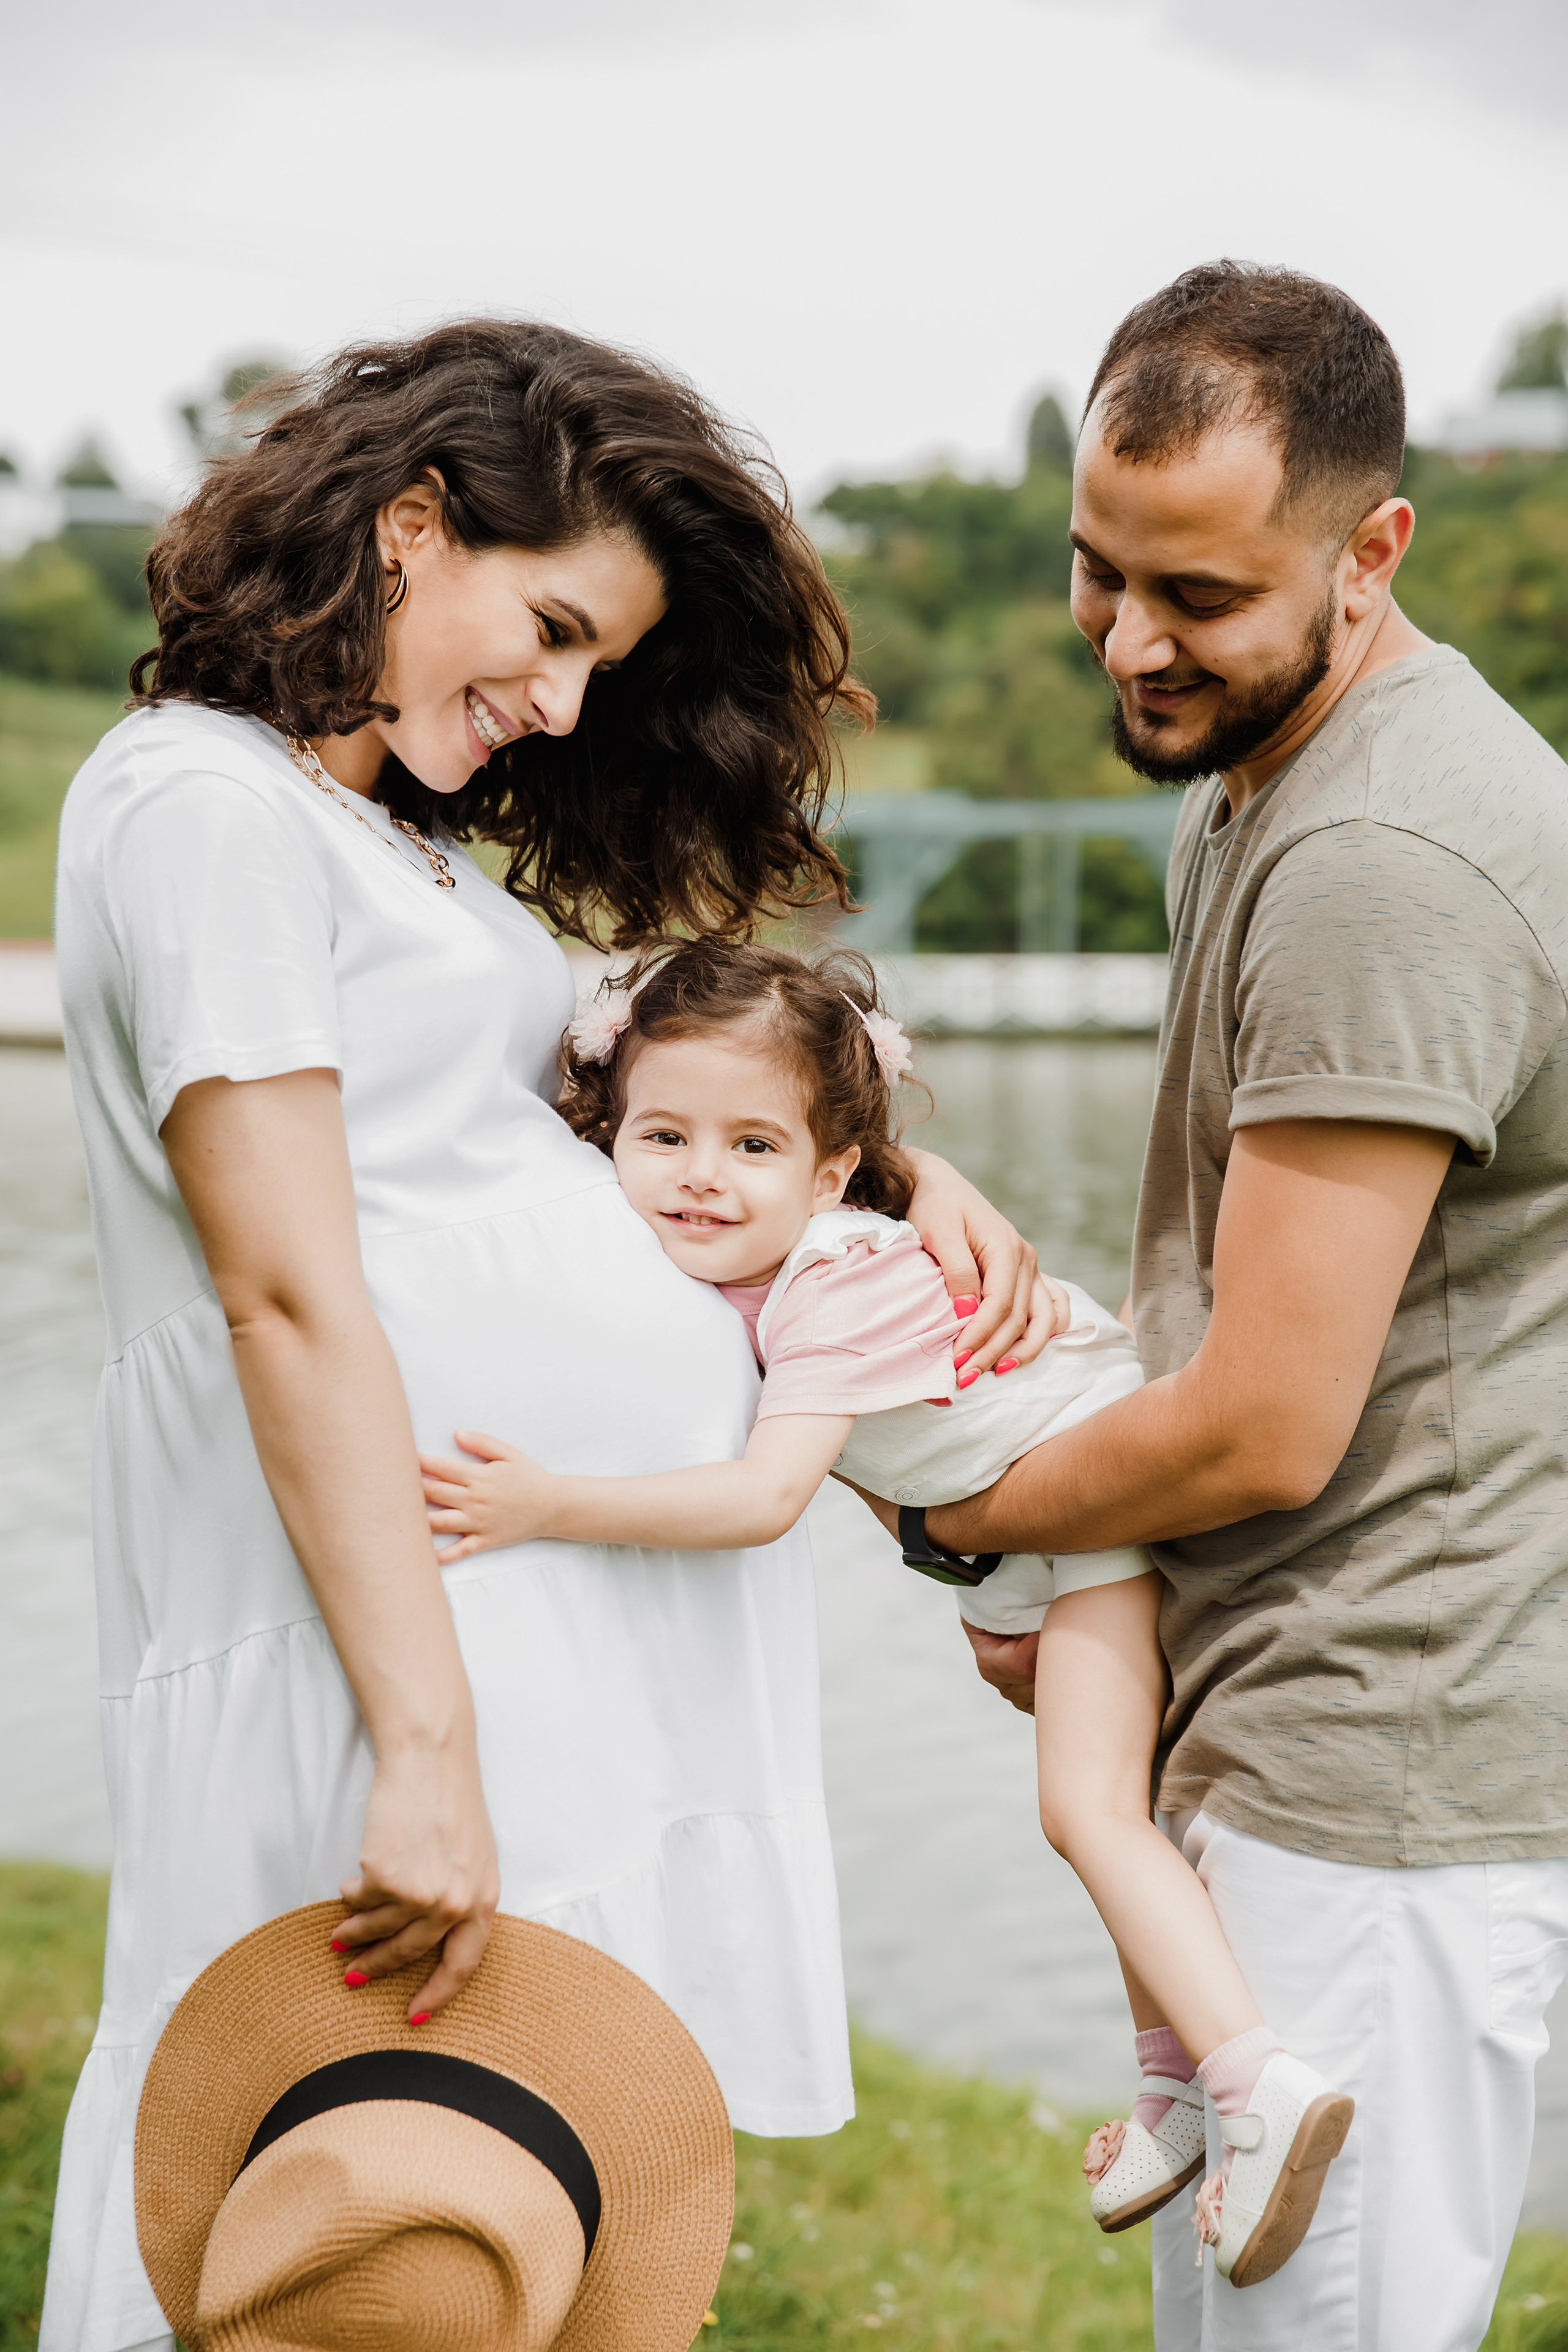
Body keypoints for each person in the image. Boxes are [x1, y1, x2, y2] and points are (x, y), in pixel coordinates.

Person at [43, 320, 1044, 2352]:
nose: (566, 699)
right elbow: (288, 1290)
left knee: (486, 2221)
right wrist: (427, 1742)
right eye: (558, 624)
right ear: (411, 526)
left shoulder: (391, 844)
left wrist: (871, 1176)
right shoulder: (204, 809)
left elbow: (598, 1138)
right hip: (371, 1637)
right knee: (327, 2212)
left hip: (512, 1613)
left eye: (603, 666)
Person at [872, 262, 1568, 2351]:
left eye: (1203, 594)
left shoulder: (1388, 861)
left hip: (1382, 1766)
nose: (1135, 640)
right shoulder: (1254, 782)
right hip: (1280, 1710)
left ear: (1373, 553)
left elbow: (1264, 1424)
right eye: (1101, 572)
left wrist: (968, 1518)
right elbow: (1226, 1302)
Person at [417, 938, 1355, 2291]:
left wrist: (547, 1502)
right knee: (1117, 1811)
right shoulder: (733, 1250)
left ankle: (1252, 2076)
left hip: (1104, 1517)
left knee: (1086, 1812)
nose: (700, 1174)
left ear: (831, 1173)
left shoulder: (835, 1277)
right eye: (663, 1135)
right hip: (1046, 1534)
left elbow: (765, 1495)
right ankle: (1179, 2094)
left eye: (751, 1146)